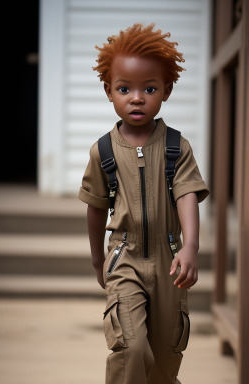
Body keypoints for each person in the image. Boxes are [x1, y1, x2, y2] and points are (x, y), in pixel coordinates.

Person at [78, 23, 209, 384]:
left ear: (165, 90)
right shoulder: (103, 151)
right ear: (109, 91)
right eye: (125, 89)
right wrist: (96, 258)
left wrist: (191, 247)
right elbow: (94, 205)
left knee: (166, 357)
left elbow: (186, 194)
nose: (137, 98)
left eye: (149, 89)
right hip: (125, 257)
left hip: (170, 261)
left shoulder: (176, 147)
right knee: (131, 347)